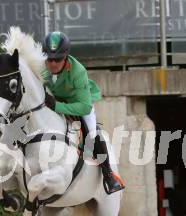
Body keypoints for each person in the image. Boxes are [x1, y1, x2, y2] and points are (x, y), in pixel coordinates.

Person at [42, 31, 125, 194]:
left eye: (57, 59)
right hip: (51, 100)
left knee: (93, 133)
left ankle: (108, 174)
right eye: (49, 59)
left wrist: (57, 106)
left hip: (77, 103)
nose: (52, 64)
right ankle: (1, 162)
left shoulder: (78, 71)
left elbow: (84, 107)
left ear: (65, 57)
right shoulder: (40, 66)